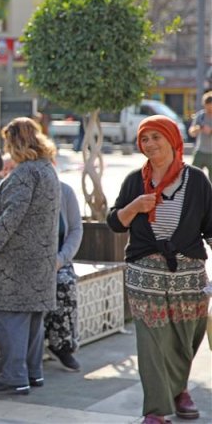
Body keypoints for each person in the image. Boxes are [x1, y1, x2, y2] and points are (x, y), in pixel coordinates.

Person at [107, 115, 211, 424]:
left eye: (156, 137)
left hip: (188, 273)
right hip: (145, 271)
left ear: (172, 139)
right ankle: (156, 410)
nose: (150, 144)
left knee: (185, 338)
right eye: (144, 139)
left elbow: (210, 226)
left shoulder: (196, 181)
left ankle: (178, 390)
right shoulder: (134, 181)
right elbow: (115, 222)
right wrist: (134, 207)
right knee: (152, 342)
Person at [0, 117, 61, 395]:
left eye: (8, 142)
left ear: (16, 142)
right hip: (39, 262)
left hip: (14, 266)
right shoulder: (47, 169)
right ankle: (32, 374)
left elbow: (13, 213)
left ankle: (13, 377)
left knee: (10, 320)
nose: (6, 147)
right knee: (31, 321)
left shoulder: (25, 172)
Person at [44, 177, 84, 372]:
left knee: (65, 283)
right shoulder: (18, 188)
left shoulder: (65, 191)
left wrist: (61, 259)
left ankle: (62, 344)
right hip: (29, 261)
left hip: (59, 258)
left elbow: (76, 229)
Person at [188, 90, 212, 177]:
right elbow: (191, 132)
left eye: (210, 107)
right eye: (206, 107)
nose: (208, 109)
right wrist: (198, 129)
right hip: (200, 150)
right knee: (194, 176)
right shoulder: (200, 116)